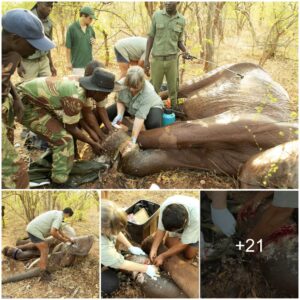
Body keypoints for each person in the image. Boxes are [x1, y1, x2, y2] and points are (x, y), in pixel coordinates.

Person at [17, 67, 120, 184]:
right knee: (64, 140)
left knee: (59, 133)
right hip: (25, 105)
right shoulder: (75, 97)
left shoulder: (84, 88)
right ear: (97, 91)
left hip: (38, 103)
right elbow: (71, 127)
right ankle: (59, 180)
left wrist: (99, 137)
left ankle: (58, 162)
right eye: (106, 94)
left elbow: (87, 113)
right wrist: (92, 143)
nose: (106, 97)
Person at [2, 9, 55, 188]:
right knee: (17, 171)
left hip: (5, 105)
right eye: (33, 43)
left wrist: (15, 98)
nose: (36, 49)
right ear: (16, 38)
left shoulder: (14, 51)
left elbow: (6, 78)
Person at [101, 200, 159, 294]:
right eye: (114, 230)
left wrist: (130, 246)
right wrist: (146, 269)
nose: (118, 232)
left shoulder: (106, 214)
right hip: (102, 255)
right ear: (104, 229)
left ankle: (108, 262)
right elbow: (121, 263)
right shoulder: (102, 245)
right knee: (111, 284)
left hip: (106, 252)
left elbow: (116, 231)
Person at [144, 2, 189, 109]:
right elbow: (151, 37)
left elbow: (179, 41)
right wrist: (146, 59)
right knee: (154, 88)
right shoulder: (157, 16)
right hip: (157, 60)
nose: (167, 3)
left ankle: (173, 111)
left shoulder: (181, 20)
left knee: (173, 89)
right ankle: (153, 110)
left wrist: (185, 51)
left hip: (172, 60)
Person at [109, 66, 163, 154]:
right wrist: (120, 114)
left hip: (151, 106)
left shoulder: (148, 92)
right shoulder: (122, 83)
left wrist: (133, 139)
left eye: (135, 87)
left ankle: (153, 146)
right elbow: (120, 101)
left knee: (153, 123)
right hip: (130, 105)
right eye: (129, 86)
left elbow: (139, 117)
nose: (131, 89)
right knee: (108, 113)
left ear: (142, 83)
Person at [18, 208, 74, 280]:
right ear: (67, 214)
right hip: (34, 230)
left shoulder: (57, 213)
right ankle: (42, 273)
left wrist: (69, 239)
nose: (67, 218)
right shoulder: (59, 217)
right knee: (45, 249)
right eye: (68, 217)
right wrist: (64, 240)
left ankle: (18, 249)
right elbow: (53, 232)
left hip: (32, 228)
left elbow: (60, 231)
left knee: (41, 246)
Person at [150, 195, 199, 267]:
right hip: (179, 223)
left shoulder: (196, 217)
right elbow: (161, 229)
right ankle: (173, 236)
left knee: (189, 255)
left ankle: (194, 238)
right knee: (170, 245)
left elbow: (183, 244)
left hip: (196, 226)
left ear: (185, 222)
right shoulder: (165, 208)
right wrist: (153, 249)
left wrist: (163, 256)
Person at [18, 2, 57, 81]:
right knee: (28, 91)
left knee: (47, 89)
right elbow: (17, 43)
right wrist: (19, 65)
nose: (50, 9)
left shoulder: (49, 23)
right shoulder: (26, 19)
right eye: (47, 5)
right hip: (29, 64)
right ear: (38, 3)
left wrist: (51, 65)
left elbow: (48, 46)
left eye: (51, 6)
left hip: (44, 62)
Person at [66, 6, 97, 76]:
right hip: (77, 66)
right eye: (90, 18)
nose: (91, 20)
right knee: (78, 85)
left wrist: (94, 41)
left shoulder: (90, 28)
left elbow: (94, 39)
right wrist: (68, 62)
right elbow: (68, 47)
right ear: (83, 16)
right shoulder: (72, 28)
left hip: (89, 65)